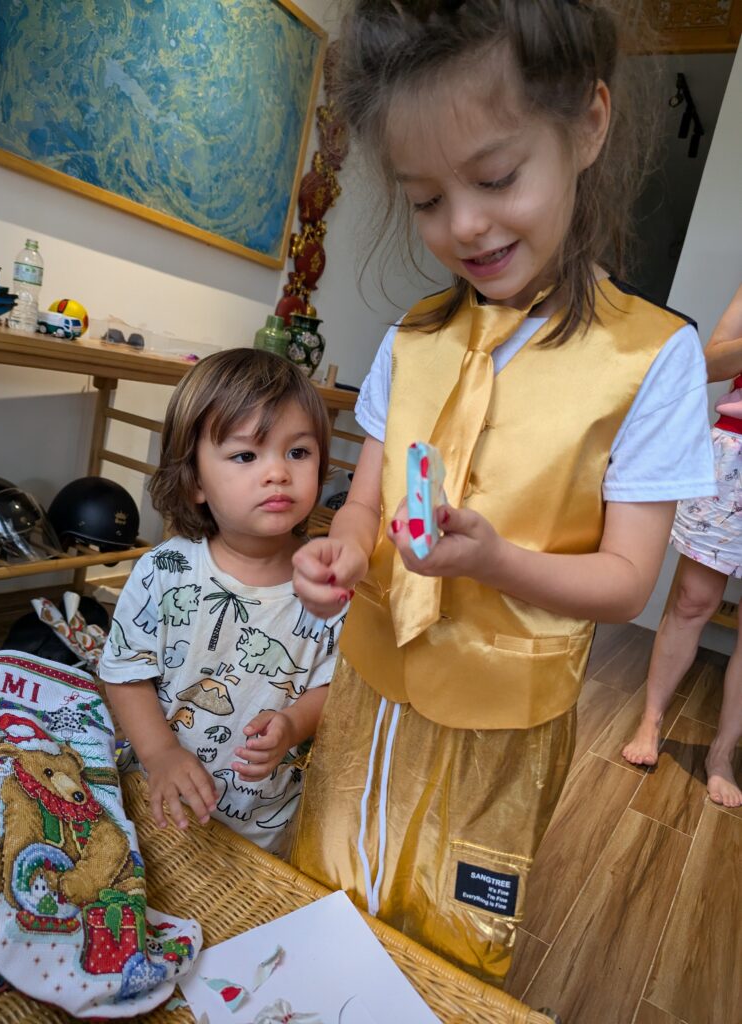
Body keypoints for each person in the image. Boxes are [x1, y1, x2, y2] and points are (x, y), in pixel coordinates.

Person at [289, 0, 715, 987]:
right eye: (426, 198)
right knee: (325, 895)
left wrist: (492, 560)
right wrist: (346, 548)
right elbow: (367, 501)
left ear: (589, 125)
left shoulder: (654, 359)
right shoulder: (414, 339)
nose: (463, 225)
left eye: (494, 178)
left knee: (448, 951)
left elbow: (624, 583)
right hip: (364, 692)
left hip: (503, 729)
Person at [99, 348, 344, 855]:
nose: (277, 472)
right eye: (245, 456)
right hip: (156, 804)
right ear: (193, 482)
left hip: (263, 827)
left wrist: (295, 723)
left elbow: (331, 684)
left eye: (298, 452)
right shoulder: (165, 571)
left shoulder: (329, 585)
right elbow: (125, 672)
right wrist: (162, 752)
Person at [623, 284, 742, 808]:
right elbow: (709, 362)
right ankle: (651, 721)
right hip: (738, 452)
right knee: (693, 599)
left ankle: (722, 754)